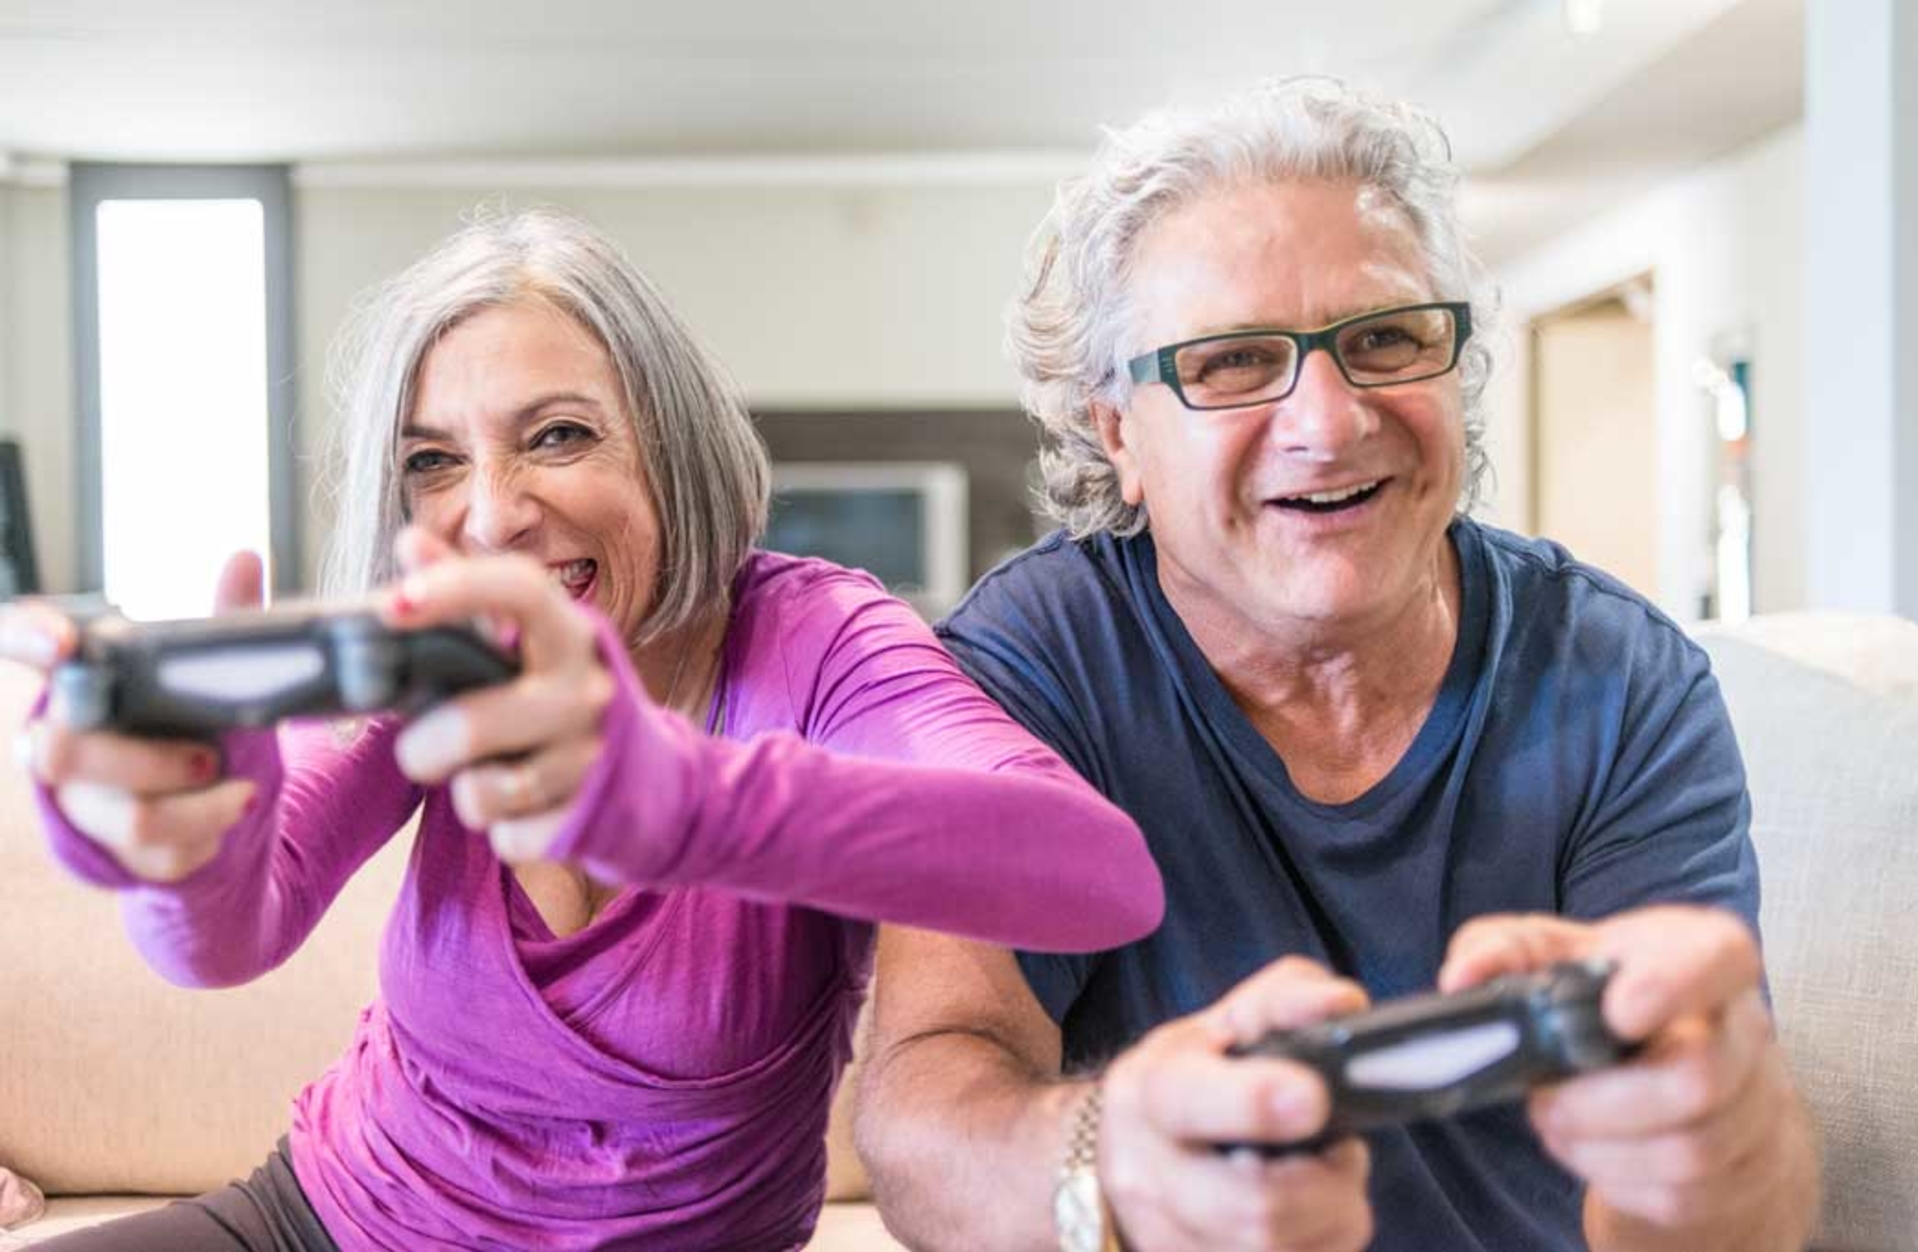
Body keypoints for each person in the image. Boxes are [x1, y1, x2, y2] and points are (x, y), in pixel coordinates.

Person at [0, 208, 1164, 1251]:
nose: (495, 513)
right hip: (323, 1220)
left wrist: (676, 800)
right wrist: (180, 841)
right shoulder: (433, 652)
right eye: (433, 461)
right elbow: (225, 934)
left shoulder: (815, 641)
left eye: (557, 434)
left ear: (668, 440)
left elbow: (1097, 877)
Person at [854, 79, 1820, 1252]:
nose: (1329, 418)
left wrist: (1708, 1151)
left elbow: (1719, 1207)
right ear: (1120, 433)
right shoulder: (1030, 671)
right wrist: (1115, 1161)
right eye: (1233, 361)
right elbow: (922, 1103)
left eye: (1383, 339)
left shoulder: (1621, 680)